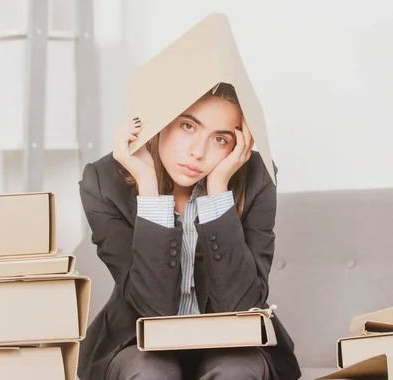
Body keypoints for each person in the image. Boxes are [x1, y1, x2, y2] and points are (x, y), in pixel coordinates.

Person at [77, 83, 301, 380]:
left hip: (234, 343)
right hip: (137, 342)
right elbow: (152, 309)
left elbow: (242, 306)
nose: (198, 152)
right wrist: (148, 189)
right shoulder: (103, 181)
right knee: (150, 372)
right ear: (160, 120)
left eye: (220, 139)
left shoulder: (258, 177)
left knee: (235, 371)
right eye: (187, 126)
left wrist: (218, 190)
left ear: (239, 144)